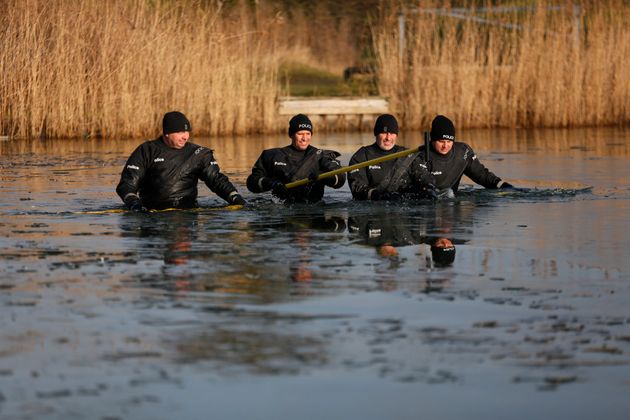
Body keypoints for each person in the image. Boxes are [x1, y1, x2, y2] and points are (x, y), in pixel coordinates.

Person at [116, 111, 246, 211]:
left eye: (187, 131)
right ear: (166, 133)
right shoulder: (146, 150)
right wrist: (133, 202)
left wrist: (234, 197)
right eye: (180, 132)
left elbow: (216, 180)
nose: (185, 136)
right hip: (151, 214)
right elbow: (127, 183)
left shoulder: (199, 154)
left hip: (188, 212)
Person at [246, 114, 345, 203]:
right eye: (300, 134)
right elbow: (252, 183)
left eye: (308, 134)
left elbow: (340, 179)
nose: (304, 138)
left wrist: (323, 176)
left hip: (313, 211)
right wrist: (271, 183)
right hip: (282, 210)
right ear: (291, 135)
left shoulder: (321, 156)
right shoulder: (272, 156)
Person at [416, 115, 514, 194]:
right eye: (441, 141)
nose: (445, 146)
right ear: (432, 139)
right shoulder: (421, 157)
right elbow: (421, 181)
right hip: (428, 208)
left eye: (449, 141)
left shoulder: (463, 153)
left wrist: (502, 185)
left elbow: (482, 175)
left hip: (452, 209)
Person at [347, 114, 435, 201]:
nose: (388, 138)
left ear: (396, 135)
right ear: (376, 133)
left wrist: (428, 189)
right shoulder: (361, 156)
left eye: (392, 133)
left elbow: (424, 178)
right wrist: (379, 196)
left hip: (405, 208)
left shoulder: (409, 155)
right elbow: (357, 189)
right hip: (375, 208)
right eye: (384, 133)